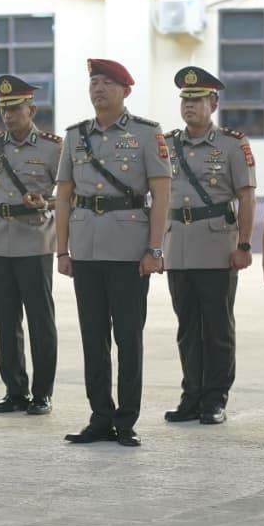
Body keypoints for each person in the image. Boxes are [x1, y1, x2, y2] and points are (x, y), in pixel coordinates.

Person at [54, 58, 170, 448]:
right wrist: (62, 250)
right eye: (94, 83)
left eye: (107, 83)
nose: (98, 89)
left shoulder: (146, 134)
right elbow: (65, 196)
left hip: (129, 249)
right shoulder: (75, 136)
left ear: (125, 91)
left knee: (128, 339)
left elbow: (161, 194)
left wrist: (155, 248)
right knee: (93, 338)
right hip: (85, 249)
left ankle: (126, 420)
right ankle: (100, 416)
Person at [161, 67, 256, 426]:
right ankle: (191, 395)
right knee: (187, 326)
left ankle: (215, 398)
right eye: (185, 100)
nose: (189, 106)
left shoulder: (232, 145)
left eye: (197, 100)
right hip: (178, 246)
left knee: (216, 327)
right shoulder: (167, 144)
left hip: (217, 245)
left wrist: (244, 244)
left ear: (213, 103)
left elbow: (246, 198)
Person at [0, 76, 60, 416]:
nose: (9, 115)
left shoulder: (53, 148)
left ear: (32, 109)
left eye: (15, 109)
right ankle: (15, 390)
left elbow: (67, 197)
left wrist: (46, 203)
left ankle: (42, 393)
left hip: (35, 240)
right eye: (4, 109)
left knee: (40, 321)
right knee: (6, 321)